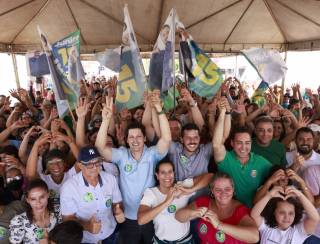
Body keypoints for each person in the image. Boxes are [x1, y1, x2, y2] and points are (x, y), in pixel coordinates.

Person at [95, 92, 171, 244]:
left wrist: (159, 110)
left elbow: (166, 139)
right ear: (126, 139)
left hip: (150, 213)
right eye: (131, 137)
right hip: (128, 217)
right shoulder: (121, 155)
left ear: (144, 138)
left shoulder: (152, 154)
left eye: (138, 137)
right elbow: (100, 147)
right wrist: (105, 120)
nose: (135, 140)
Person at [212, 98, 272, 207]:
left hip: (251, 212)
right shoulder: (226, 158)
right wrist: (222, 113)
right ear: (232, 143)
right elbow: (217, 144)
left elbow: (277, 174)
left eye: (247, 143)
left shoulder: (260, 161)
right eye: (239, 143)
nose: (244, 147)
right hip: (228, 211)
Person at [137, 159, 213, 243]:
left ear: (174, 174)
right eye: (163, 172)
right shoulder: (151, 193)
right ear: (157, 175)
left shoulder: (181, 186)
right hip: (161, 241)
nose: (167, 176)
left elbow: (210, 176)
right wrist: (167, 201)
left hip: (184, 241)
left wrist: (189, 190)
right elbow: (141, 220)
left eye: (170, 172)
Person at [60, 146, 124, 244]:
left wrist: (118, 211)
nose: (94, 167)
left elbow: (117, 202)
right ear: (80, 165)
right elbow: (67, 219)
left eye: (97, 162)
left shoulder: (110, 179)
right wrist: (87, 226)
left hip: (110, 232)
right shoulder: (69, 187)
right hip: (86, 239)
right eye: (89, 164)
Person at [175, 172, 259, 244]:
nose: (223, 193)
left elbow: (254, 237)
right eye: (218, 190)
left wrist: (219, 225)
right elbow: (179, 217)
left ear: (233, 190)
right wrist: (193, 213)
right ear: (212, 191)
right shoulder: (204, 202)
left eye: (227, 189)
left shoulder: (240, 210)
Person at [251, 185, 320, 244]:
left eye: (291, 213)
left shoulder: (299, 231)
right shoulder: (266, 227)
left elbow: (315, 218)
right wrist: (269, 195)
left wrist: (300, 195)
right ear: (274, 212)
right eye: (282, 212)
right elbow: (254, 215)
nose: (287, 217)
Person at [9, 179, 59, 244]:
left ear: (48, 195)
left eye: (42, 197)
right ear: (27, 200)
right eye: (33, 199)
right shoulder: (19, 221)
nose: (38, 203)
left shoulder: (57, 211)